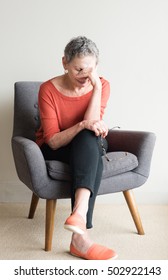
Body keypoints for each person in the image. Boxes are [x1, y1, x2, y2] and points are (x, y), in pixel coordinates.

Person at [36, 36, 117, 260]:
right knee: (88, 137)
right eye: (78, 69)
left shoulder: (101, 85)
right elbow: (52, 140)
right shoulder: (48, 90)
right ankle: (80, 237)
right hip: (58, 146)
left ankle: (78, 221)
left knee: (89, 138)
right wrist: (81, 124)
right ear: (64, 63)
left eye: (89, 69)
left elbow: (92, 127)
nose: (84, 76)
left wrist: (97, 87)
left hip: (87, 144)